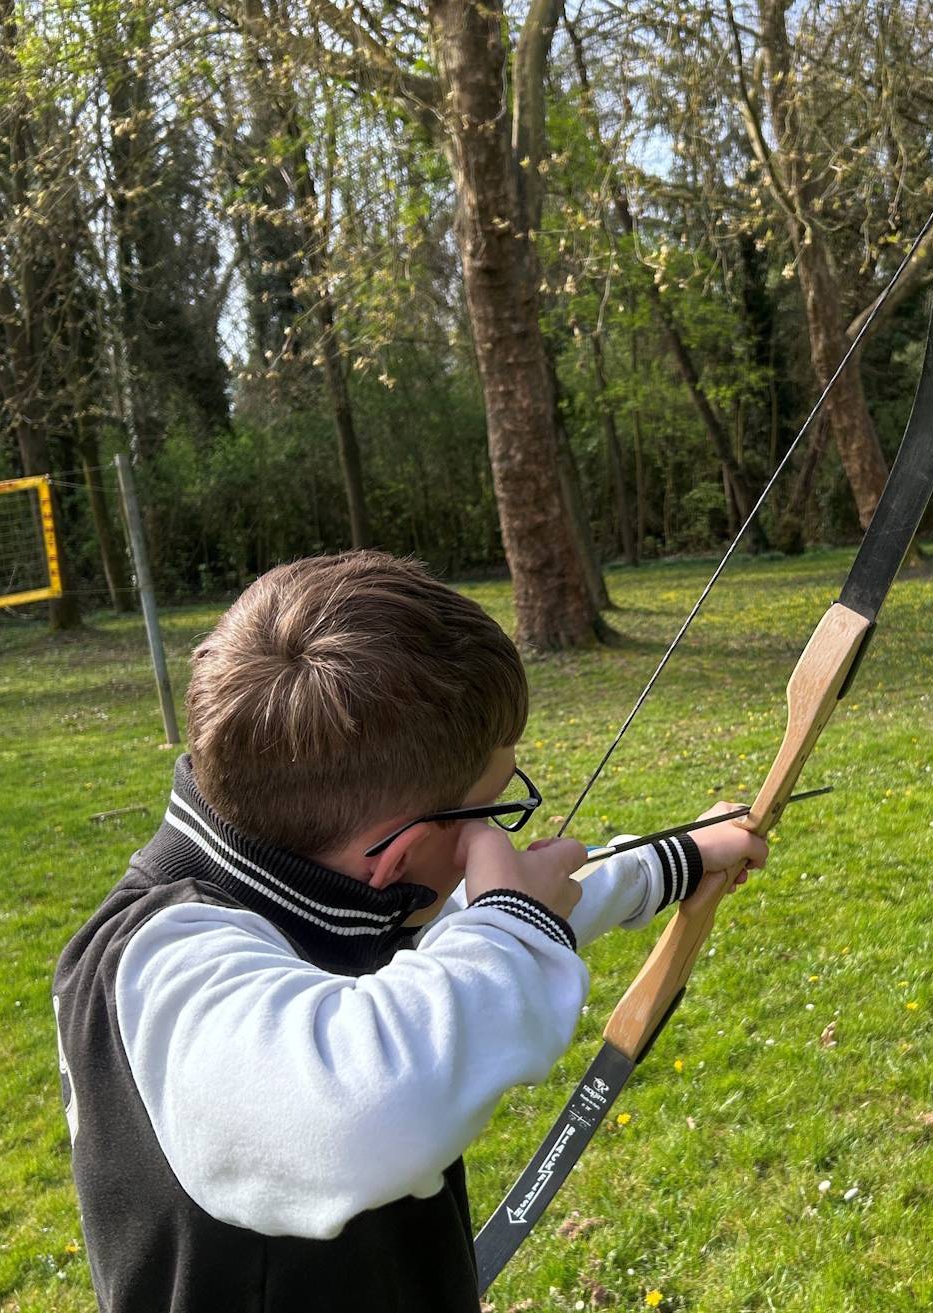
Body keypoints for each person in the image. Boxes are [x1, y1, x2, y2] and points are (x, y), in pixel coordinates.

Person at [51, 550, 767, 1313]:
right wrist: (511, 923)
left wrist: (678, 858)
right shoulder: (166, 958)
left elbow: (468, 934)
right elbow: (365, 1105)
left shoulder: (305, 881)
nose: (497, 836)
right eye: (491, 811)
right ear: (394, 857)